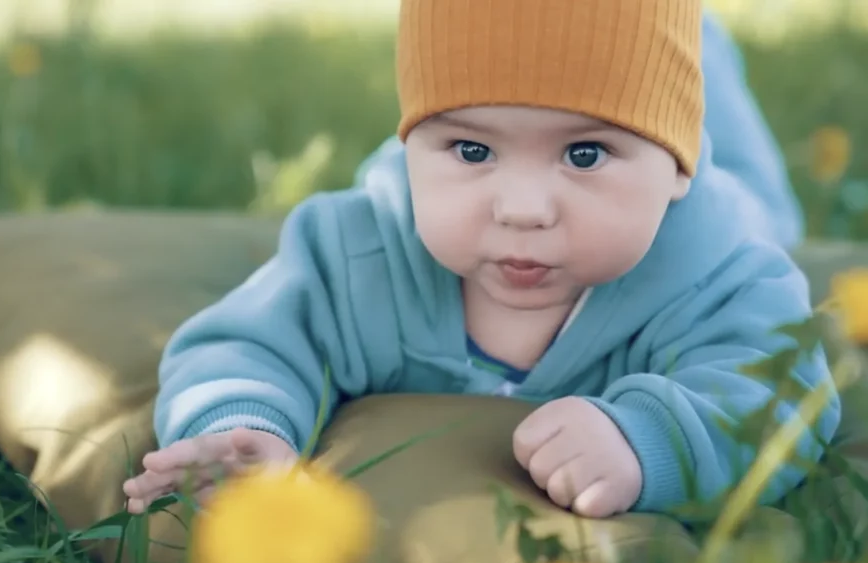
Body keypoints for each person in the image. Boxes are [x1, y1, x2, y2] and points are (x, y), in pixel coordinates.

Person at [124, 0, 839, 520]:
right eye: (471, 150)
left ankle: (701, 47)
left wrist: (648, 439)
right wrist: (243, 426)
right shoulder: (362, 248)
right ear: (412, 147)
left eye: (585, 153)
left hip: (713, 186)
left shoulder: (722, 270)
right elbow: (247, 342)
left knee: (759, 195)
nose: (522, 206)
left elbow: (780, 389)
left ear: (676, 168)